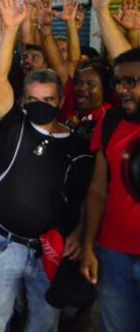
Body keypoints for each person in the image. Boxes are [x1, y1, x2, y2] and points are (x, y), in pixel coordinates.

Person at [0, 0, 80, 332]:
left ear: (60, 100)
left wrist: (79, 233)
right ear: (23, 99)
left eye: (48, 99)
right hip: (4, 245)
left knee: (43, 324)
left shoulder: (75, 144)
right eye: (32, 99)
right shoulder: (14, 124)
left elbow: (84, 197)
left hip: (48, 252)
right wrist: (9, 29)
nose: (40, 105)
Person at [81, 48, 140, 332]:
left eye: (131, 82)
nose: (122, 90)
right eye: (118, 82)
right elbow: (97, 189)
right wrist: (89, 246)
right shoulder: (111, 121)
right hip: (114, 252)